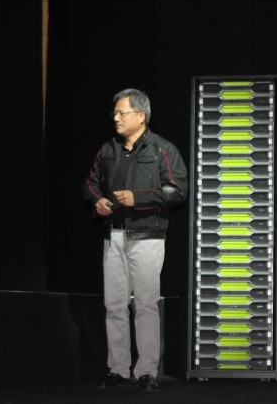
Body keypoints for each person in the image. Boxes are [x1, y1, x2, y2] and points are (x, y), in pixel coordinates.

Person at [82, 88, 188, 390]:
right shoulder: (107, 150)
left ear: (140, 116)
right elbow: (89, 184)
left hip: (148, 236)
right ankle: (117, 368)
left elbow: (178, 189)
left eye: (121, 112)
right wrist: (97, 201)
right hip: (113, 236)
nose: (115, 117)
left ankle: (146, 371)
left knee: (145, 305)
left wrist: (137, 199)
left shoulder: (161, 149)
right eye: (114, 112)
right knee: (114, 305)